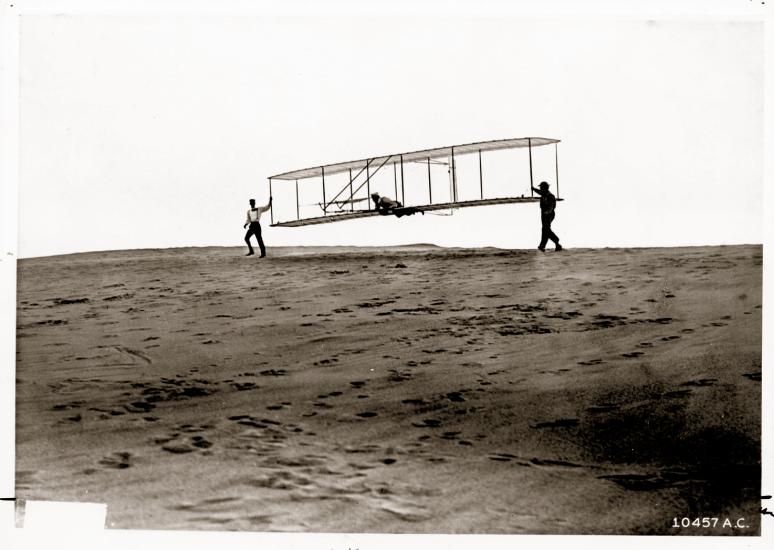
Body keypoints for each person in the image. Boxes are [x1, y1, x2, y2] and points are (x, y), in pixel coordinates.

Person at [531, 181, 562, 252]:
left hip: (549, 214)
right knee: (545, 229)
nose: (541, 189)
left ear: (545, 188)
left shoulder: (550, 196)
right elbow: (539, 192)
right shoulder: (543, 193)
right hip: (544, 214)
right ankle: (543, 245)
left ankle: (555, 242)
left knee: (546, 229)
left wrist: (547, 212)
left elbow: (551, 206)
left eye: (541, 188)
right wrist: (534, 189)